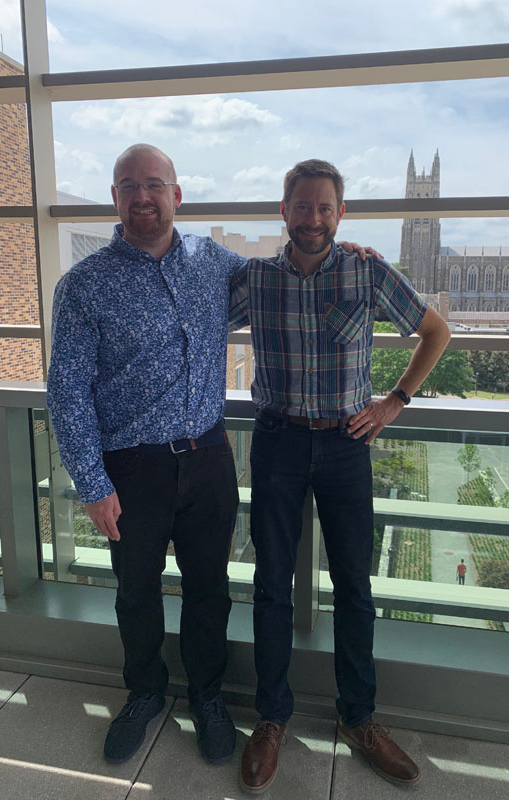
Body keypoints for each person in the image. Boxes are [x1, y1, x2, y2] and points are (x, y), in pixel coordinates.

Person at [47, 144, 373, 767]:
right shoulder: (83, 286)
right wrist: (91, 482)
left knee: (209, 589)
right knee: (135, 590)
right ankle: (144, 692)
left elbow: (288, 269)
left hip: (208, 459)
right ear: (114, 197)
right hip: (130, 468)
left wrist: (346, 253)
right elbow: (67, 391)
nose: (142, 196)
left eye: (154, 184)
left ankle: (207, 695)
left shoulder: (214, 264)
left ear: (177, 195)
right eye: (128, 185)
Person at [229, 159, 451, 791]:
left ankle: (359, 718)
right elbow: (194, 324)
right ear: (283, 210)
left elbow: (436, 330)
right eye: (302, 206)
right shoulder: (257, 280)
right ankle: (271, 720)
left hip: (347, 446)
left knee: (355, 585)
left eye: (325, 208)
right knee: (271, 583)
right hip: (275, 442)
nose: (314, 219)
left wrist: (395, 401)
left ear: (341, 214)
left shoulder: (365, 270)